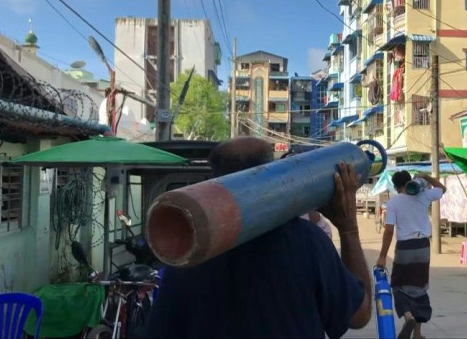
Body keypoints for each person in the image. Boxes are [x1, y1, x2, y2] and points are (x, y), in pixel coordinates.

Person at [146, 137, 372, 338]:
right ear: (271, 174)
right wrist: (348, 228)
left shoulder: (187, 251)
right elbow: (359, 315)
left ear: (214, 181)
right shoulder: (307, 241)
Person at [376, 171, 446, 339]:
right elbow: (442, 189)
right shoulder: (424, 195)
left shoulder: (393, 202)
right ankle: (417, 334)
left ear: (394, 186)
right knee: (419, 287)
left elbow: (389, 230)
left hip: (405, 247)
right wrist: (426, 177)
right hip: (422, 246)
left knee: (398, 285)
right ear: (410, 181)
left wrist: (383, 256)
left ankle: (408, 316)